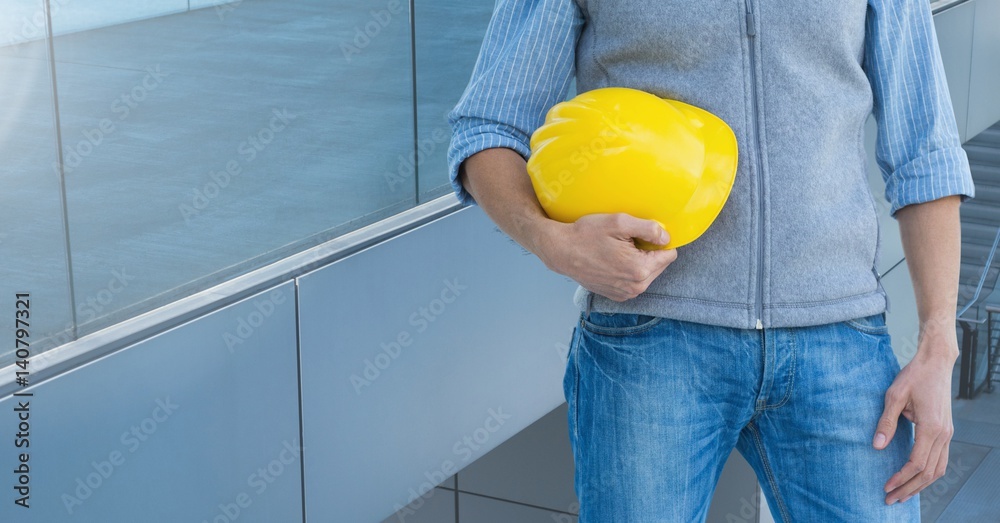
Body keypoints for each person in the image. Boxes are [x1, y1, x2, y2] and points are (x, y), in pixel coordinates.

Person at [447, 1, 976, 521]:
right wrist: (550, 241)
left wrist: (938, 347)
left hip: (840, 340)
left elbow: (925, 153)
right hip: (649, 337)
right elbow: (487, 128)